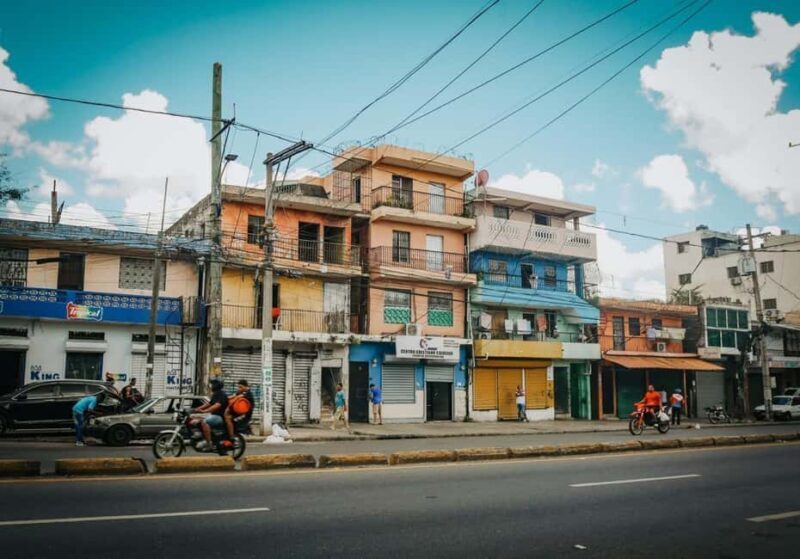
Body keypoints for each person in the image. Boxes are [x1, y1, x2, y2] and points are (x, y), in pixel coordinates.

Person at [193, 379, 228, 450]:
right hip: (214, 415)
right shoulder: (216, 393)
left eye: (212, 384)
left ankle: (209, 443)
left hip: (220, 417)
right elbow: (209, 403)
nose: (211, 386)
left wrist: (204, 411)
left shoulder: (221, 394)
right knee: (196, 420)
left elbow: (217, 405)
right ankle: (203, 436)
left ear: (216, 385)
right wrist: (196, 409)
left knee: (205, 422)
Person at [224, 379, 255, 444]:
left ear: (246, 386)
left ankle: (231, 437)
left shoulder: (248, 394)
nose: (239, 388)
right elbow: (232, 396)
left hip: (245, 414)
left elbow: (237, 397)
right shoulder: (239, 392)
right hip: (238, 413)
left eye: (241, 387)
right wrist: (224, 399)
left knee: (229, 419)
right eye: (238, 387)